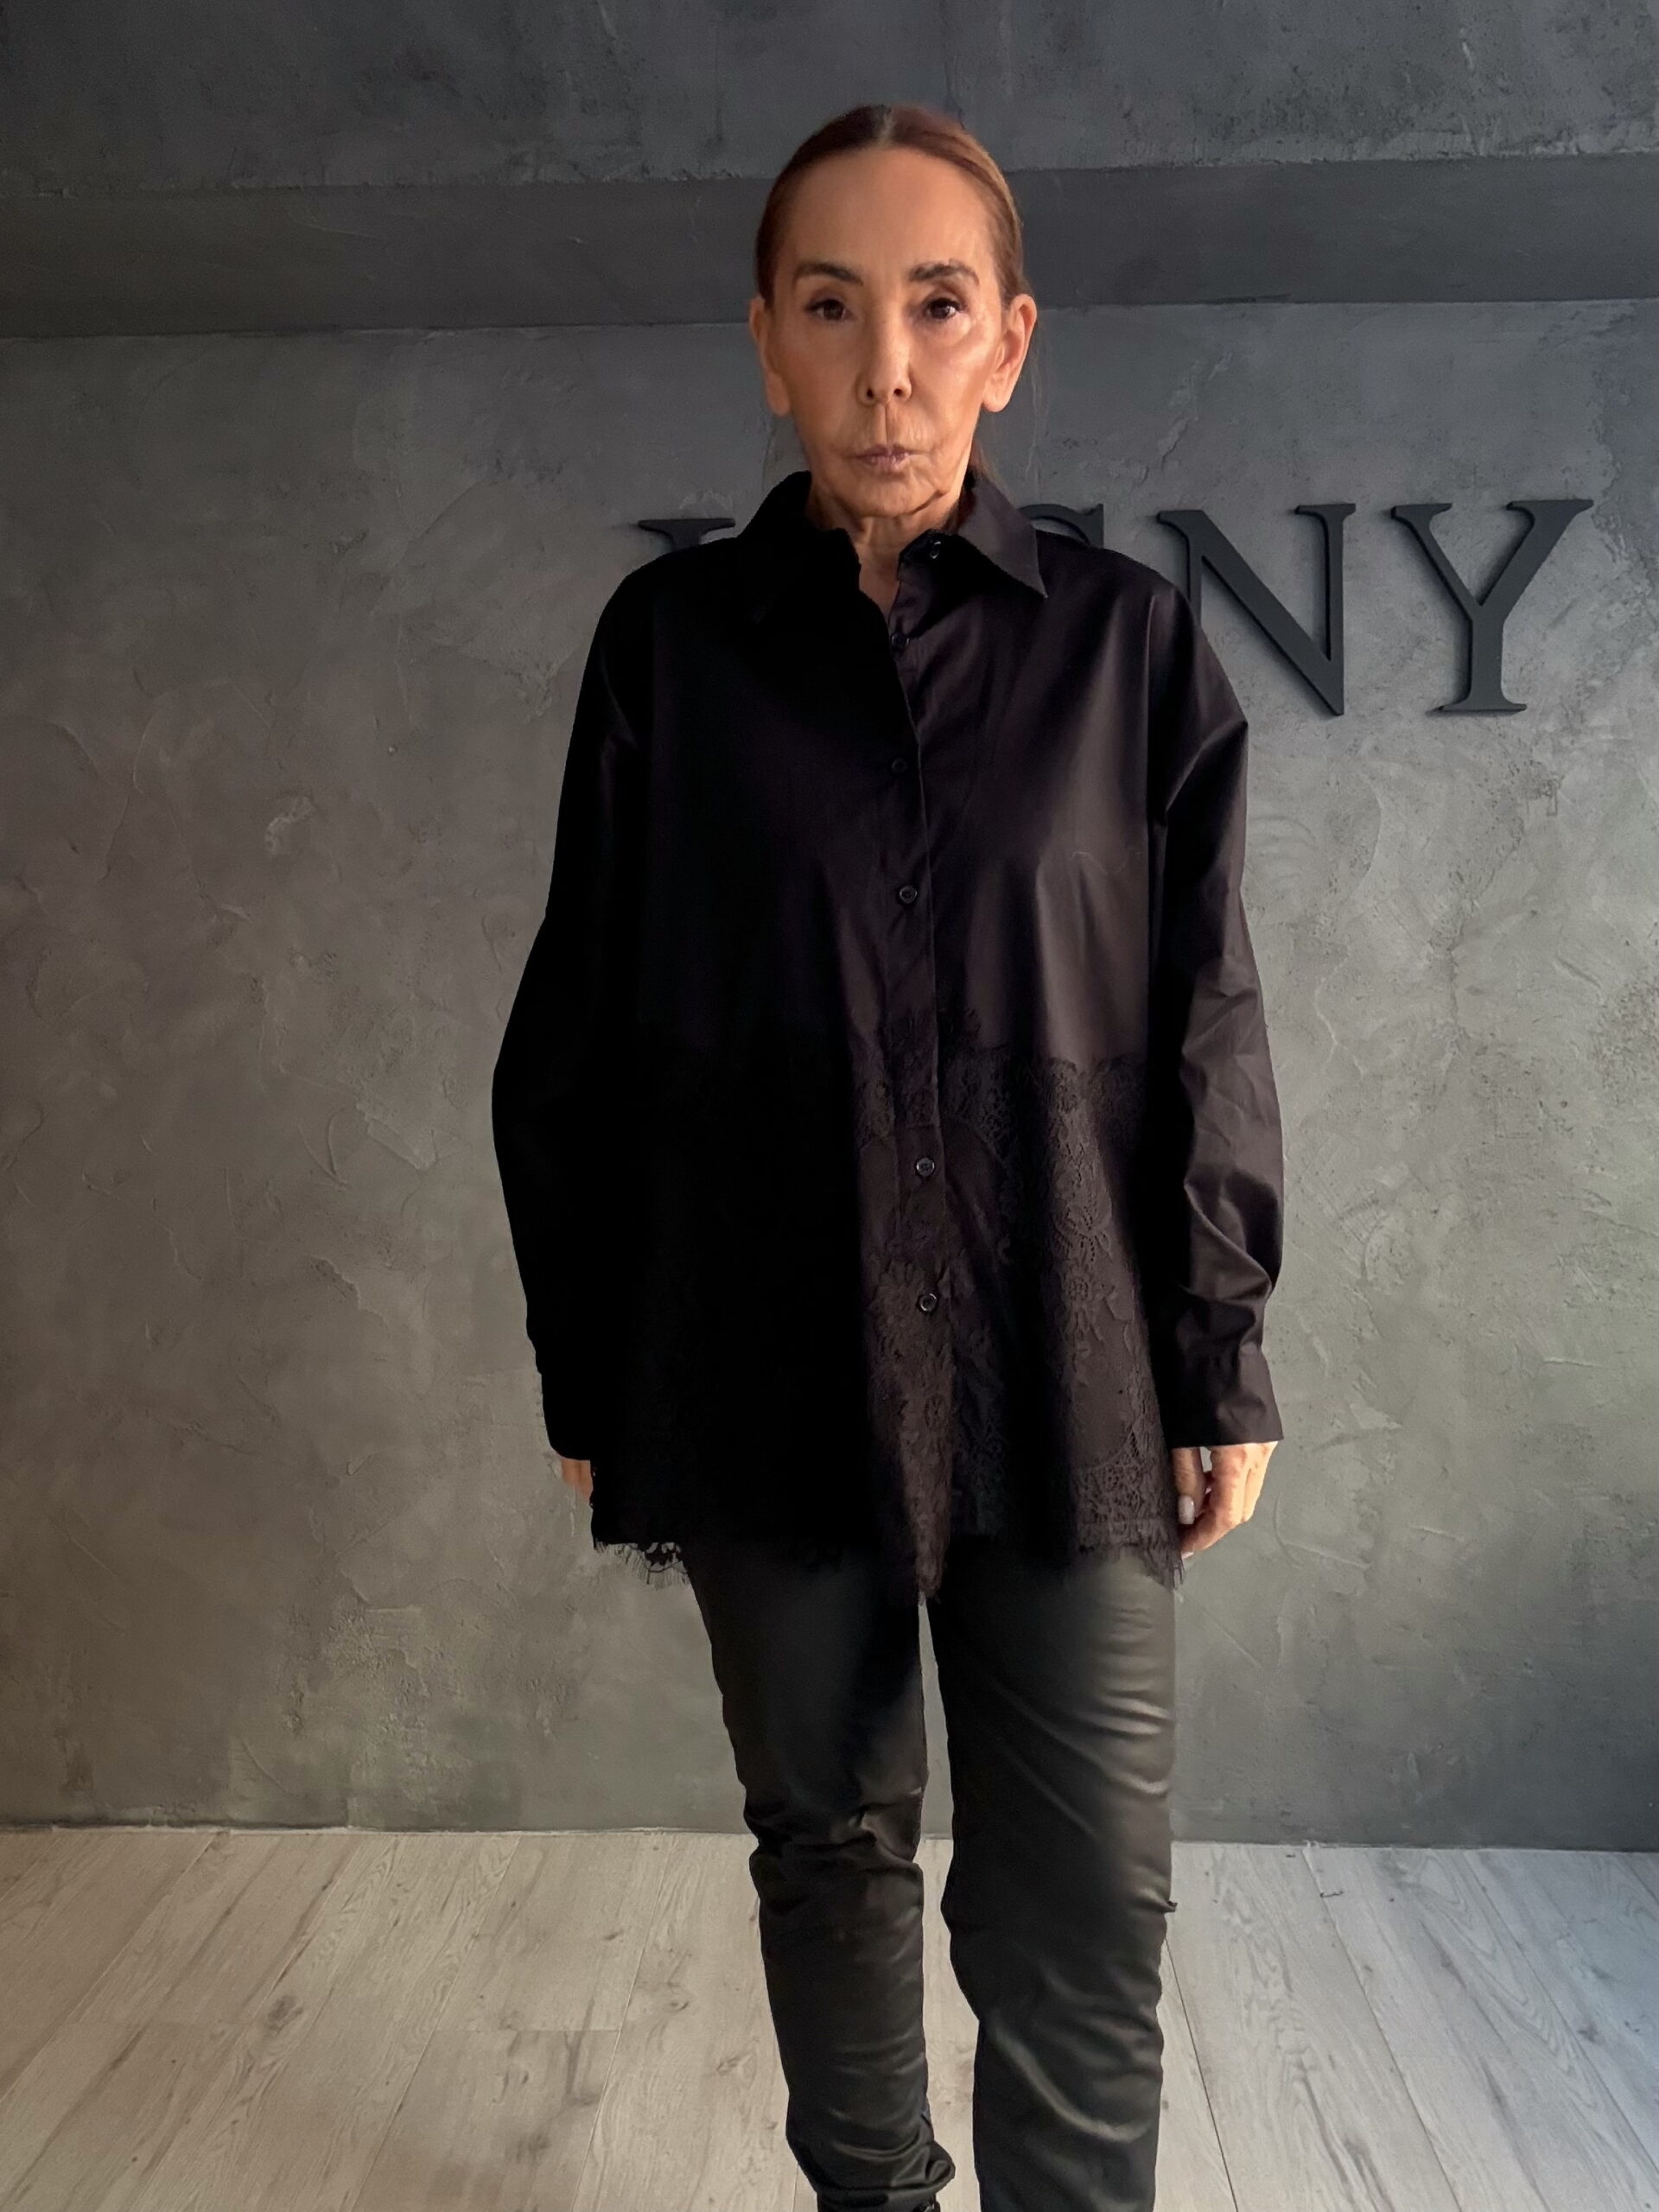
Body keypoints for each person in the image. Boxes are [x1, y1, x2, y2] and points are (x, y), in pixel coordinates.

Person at [492, 100, 1285, 2212]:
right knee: (830, 1843)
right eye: (832, 309)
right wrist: (590, 1361)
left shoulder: (1130, 649)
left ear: (1010, 340)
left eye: (937, 307)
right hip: (767, 1337)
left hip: (1069, 1347)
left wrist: (1218, 1349)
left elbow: (1205, 1016)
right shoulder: (670, 653)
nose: (886, 370)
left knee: (1085, 1903)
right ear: (768, 341)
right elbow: (581, 1027)